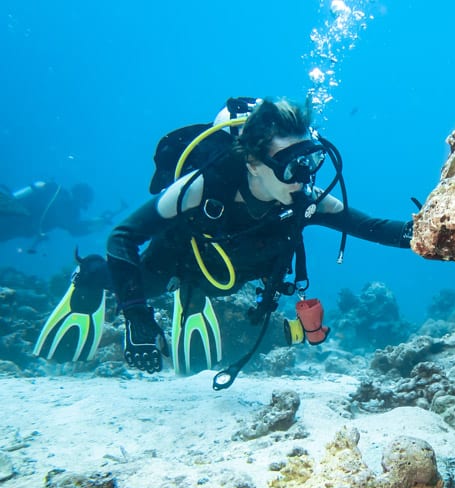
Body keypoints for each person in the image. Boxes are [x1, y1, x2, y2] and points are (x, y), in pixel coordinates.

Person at [34, 97, 413, 388]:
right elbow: (122, 236)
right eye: (289, 166)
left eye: (307, 163)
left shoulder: (303, 196)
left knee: (245, 317)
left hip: (231, 274)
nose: (300, 178)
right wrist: (136, 314)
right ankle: (90, 275)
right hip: (182, 258)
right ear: (251, 162)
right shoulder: (203, 187)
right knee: (150, 285)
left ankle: (194, 296)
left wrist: (439, 232)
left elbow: (375, 228)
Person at [0, 181, 114, 251]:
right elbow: (73, 228)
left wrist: (95, 223)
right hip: (15, 222)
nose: (81, 208)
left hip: (15, 223)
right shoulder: (62, 201)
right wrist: (94, 224)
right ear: (80, 197)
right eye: (83, 203)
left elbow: (72, 228)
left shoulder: (58, 196)